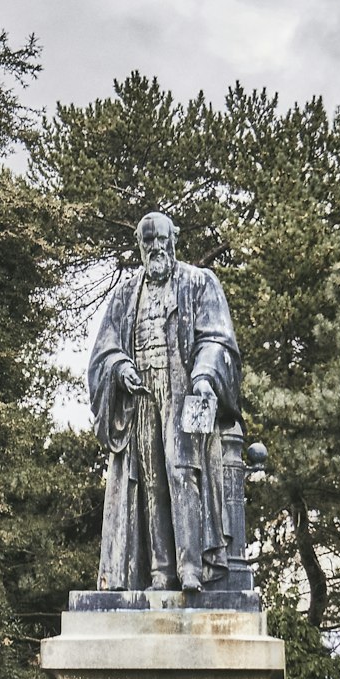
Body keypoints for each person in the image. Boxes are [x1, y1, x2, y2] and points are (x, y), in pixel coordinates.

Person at [88, 211, 242, 592]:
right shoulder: (125, 294)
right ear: (140, 246)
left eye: (162, 240)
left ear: (174, 240)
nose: (156, 248)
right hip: (141, 395)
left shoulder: (198, 282)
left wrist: (205, 378)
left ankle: (191, 567)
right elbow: (104, 350)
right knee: (150, 481)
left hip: (182, 389)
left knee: (182, 471)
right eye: (148, 241)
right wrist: (120, 366)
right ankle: (160, 572)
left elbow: (218, 339)